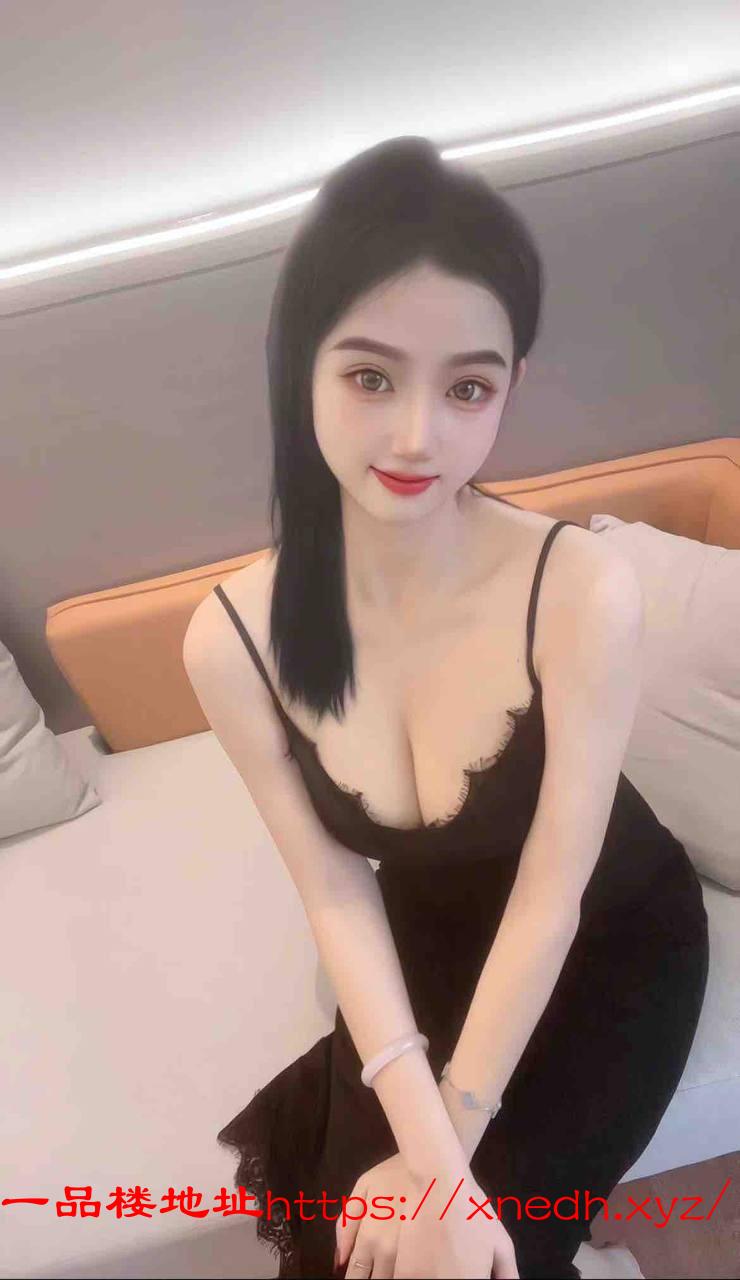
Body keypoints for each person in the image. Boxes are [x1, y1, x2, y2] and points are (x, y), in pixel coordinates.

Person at [183, 136, 709, 1279]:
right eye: (370, 377)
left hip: (606, 938)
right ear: (297, 367)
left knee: (472, 1252)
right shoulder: (230, 639)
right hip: (424, 938)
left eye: (466, 386)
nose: (419, 435)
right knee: (347, 1249)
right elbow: (334, 889)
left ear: (508, 385)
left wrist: (441, 1160)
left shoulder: (576, 589)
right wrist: (424, 1146)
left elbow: (552, 893)